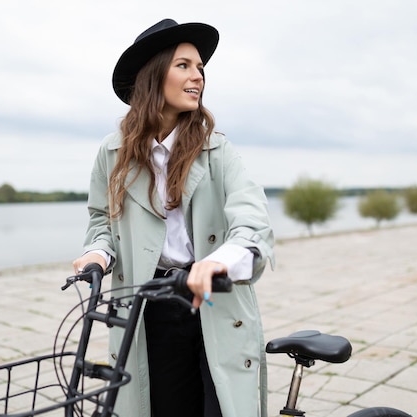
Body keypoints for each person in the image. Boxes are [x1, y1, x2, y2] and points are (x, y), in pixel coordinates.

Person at [72, 19, 275, 417]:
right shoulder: (112, 153)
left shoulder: (218, 151)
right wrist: (96, 254)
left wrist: (220, 261)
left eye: (200, 68)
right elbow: (101, 221)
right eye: (184, 65)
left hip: (214, 297)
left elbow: (253, 219)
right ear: (153, 75)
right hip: (150, 305)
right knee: (161, 406)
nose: (197, 76)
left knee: (223, 406)